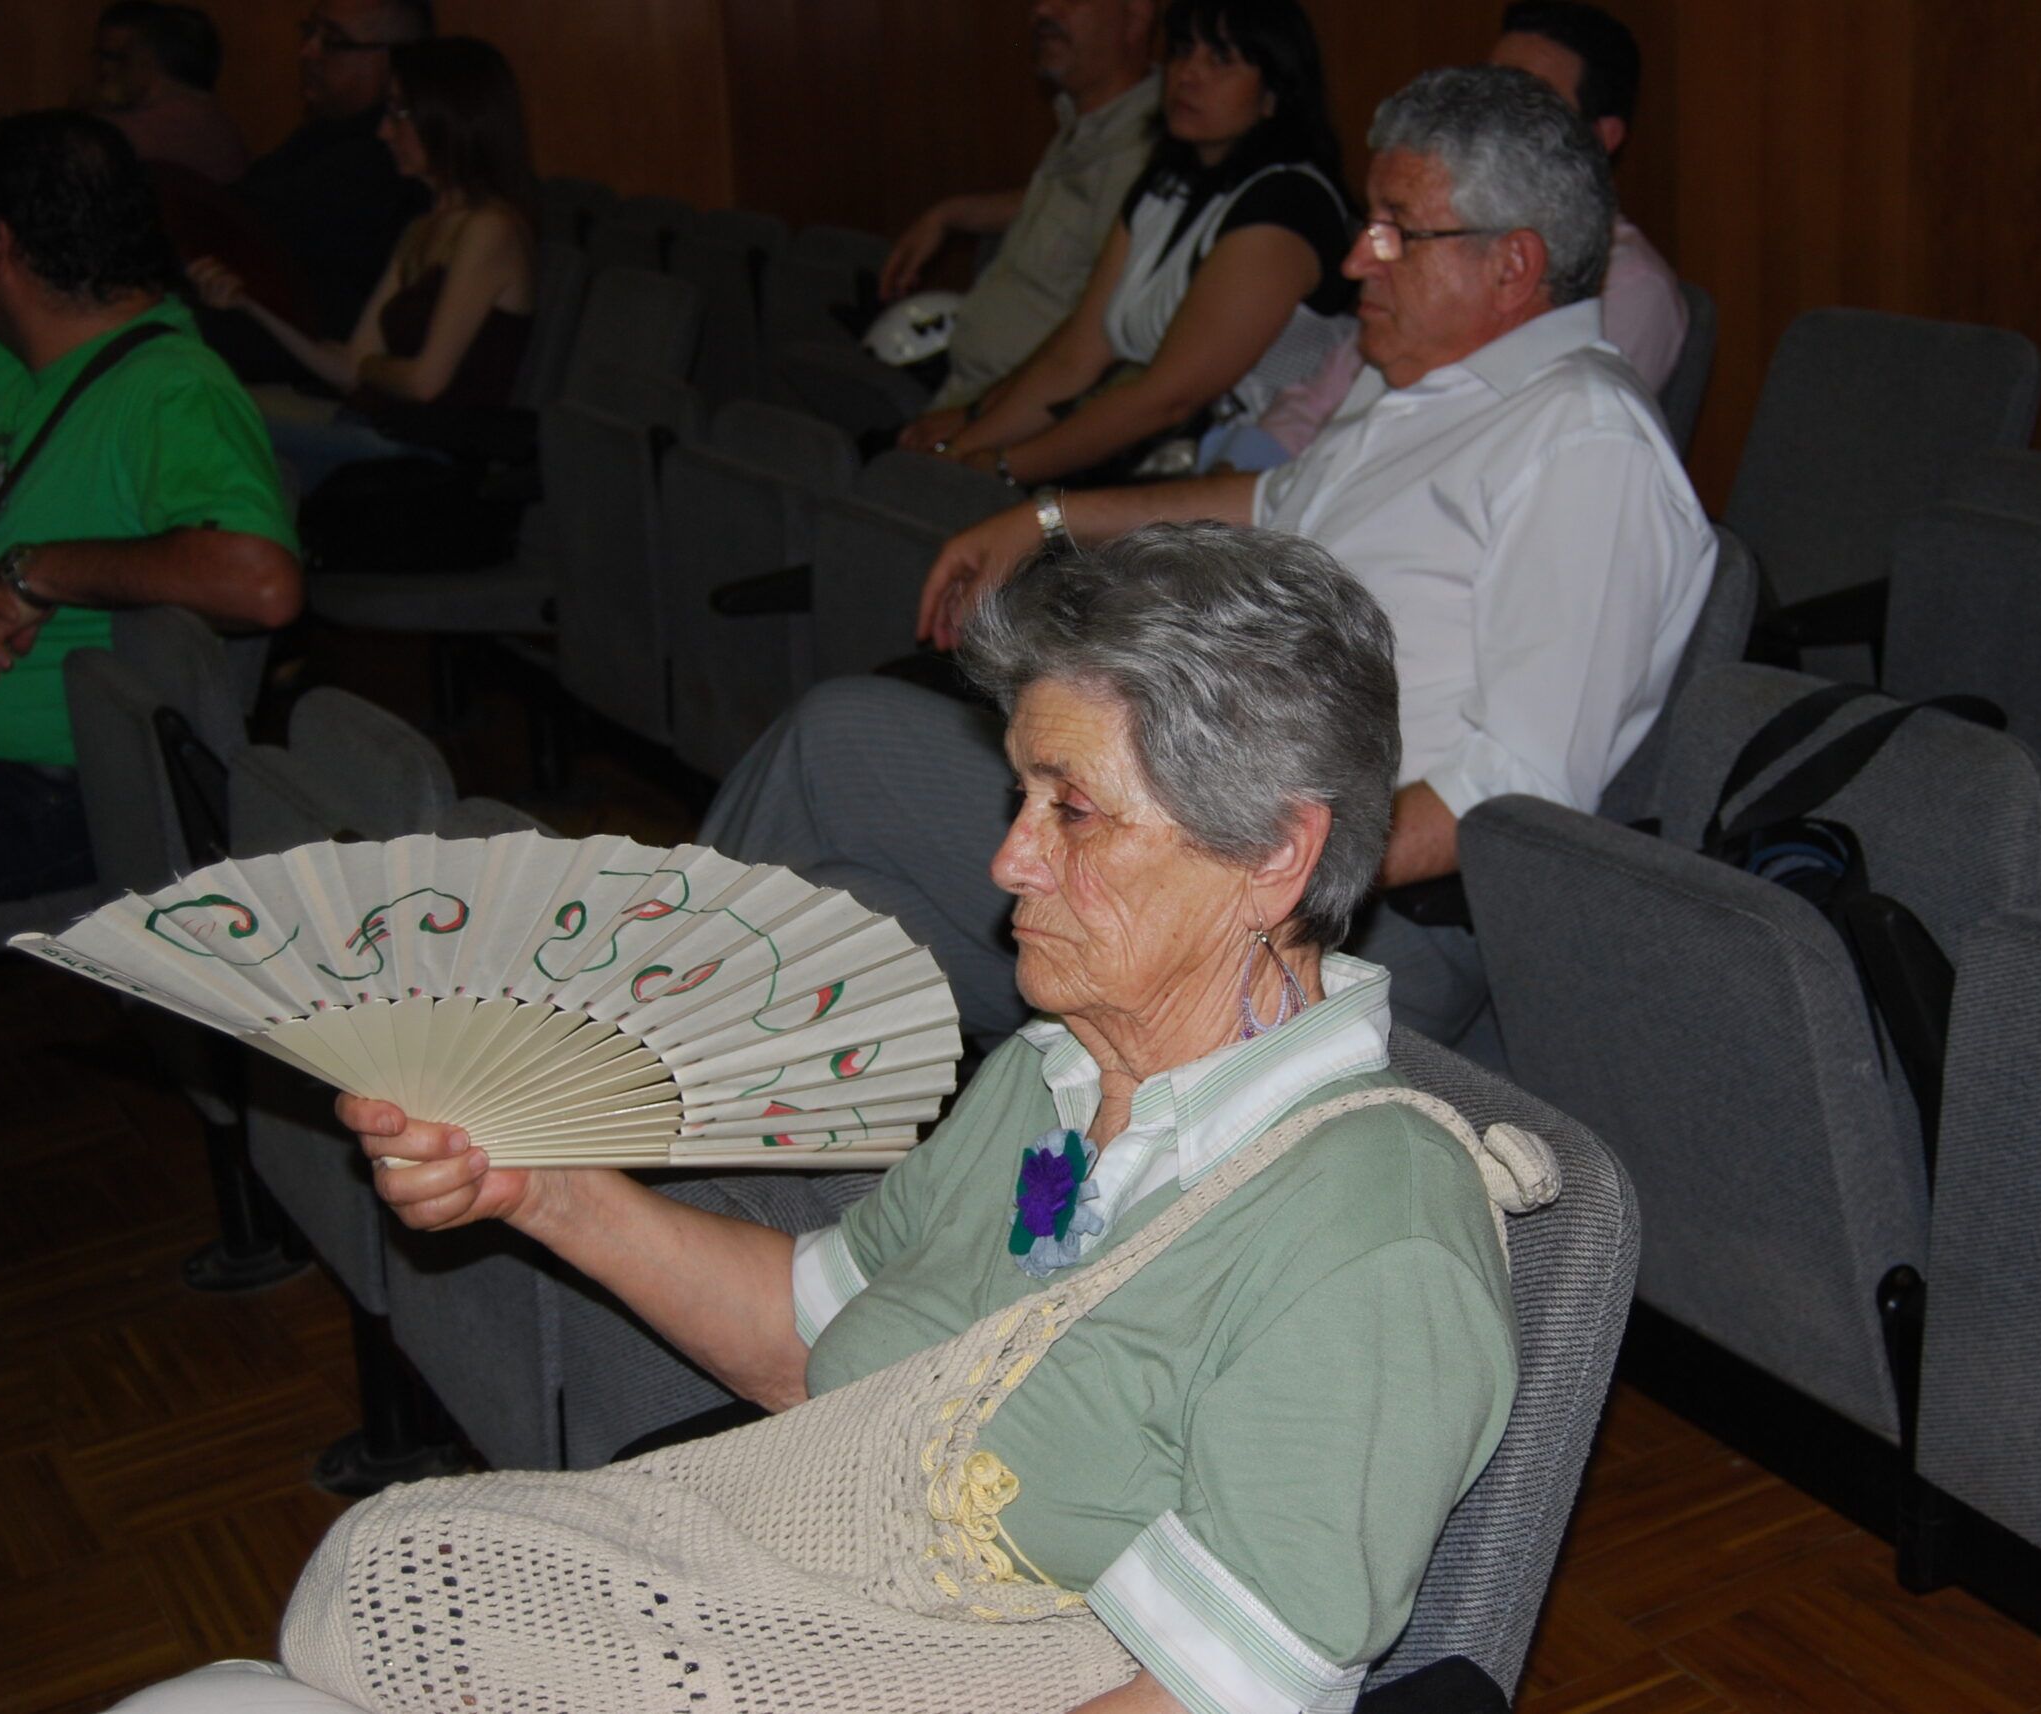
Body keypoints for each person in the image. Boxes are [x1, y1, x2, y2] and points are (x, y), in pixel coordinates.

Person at [125, 525, 1528, 1714]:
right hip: (795, 1611)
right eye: (1020, 791)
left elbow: (1222, 1693)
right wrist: (541, 1186)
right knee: (326, 1618)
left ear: (1274, 853)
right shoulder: (1047, 1080)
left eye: (1076, 811)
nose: (1007, 854)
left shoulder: (1369, 1236)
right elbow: (819, 1343)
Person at [720, 66, 1714, 1050]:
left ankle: (605, 1045)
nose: (1357, 260)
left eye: (1395, 231)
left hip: (1344, 911)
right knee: (842, 914)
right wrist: (1046, 519)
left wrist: (1244, 866)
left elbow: (1519, 795)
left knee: (836, 742)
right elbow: (1272, 501)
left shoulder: (1584, 447)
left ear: (1513, 266)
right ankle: (662, 1111)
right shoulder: (1421, 385)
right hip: (1193, 812)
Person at [0, 113, 301, 912]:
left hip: (37, 792)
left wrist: (40, 569)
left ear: (2, 245)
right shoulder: (8, 360)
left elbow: (262, 581)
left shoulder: (171, 388)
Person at [902, 0, 1356, 488]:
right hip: (1160, 461)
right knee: (921, 481)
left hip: (1254, 483)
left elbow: (1167, 399)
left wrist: (1005, 465)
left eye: (1221, 61)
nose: (1188, 75)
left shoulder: (1288, 204)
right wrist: (963, 444)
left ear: (1274, 94)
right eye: (1183, 52)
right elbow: (1074, 357)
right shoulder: (1166, 184)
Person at [1233, 0, 1685, 470]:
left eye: (1525, 105)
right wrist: (1244, 469)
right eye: (1483, 93)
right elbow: (1324, 392)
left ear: (1602, 138)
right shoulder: (1425, 240)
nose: (1484, 120)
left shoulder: (1632, 289)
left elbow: (1520, 453)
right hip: (1303, 484)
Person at [188, 35, 537, 489]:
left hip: (427, 458)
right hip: (377, 429)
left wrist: (370, 369)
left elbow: (423, 383)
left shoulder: (490, 229)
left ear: (451, 118)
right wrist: (250, 304)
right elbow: (350, 363)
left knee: (205, 418)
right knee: (205, 403)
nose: (384, 131)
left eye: (400, 113)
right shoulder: (424, 226)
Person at [879, 0, 1162, 415]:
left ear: (1134, 20)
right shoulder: (1091, 121)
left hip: (1009, 423)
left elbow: (1104, 344)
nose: (1042, 10)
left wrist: (977, 423)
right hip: (969, 394)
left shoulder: (1147, 150)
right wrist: (950, 214)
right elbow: (1070, 212)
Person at [209, 0, 434, 380]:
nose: (308, 51)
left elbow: (253, 220)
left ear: (394, 60)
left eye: (332, 40)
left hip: (312, 366)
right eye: (308, 32)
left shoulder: (387, 159)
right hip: (286, 340)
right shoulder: (325, 132)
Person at [90, 2, 250, 186]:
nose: (109, 69)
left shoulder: (124, 136)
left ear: (147, 60)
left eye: (124, 58)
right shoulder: (219, 125)